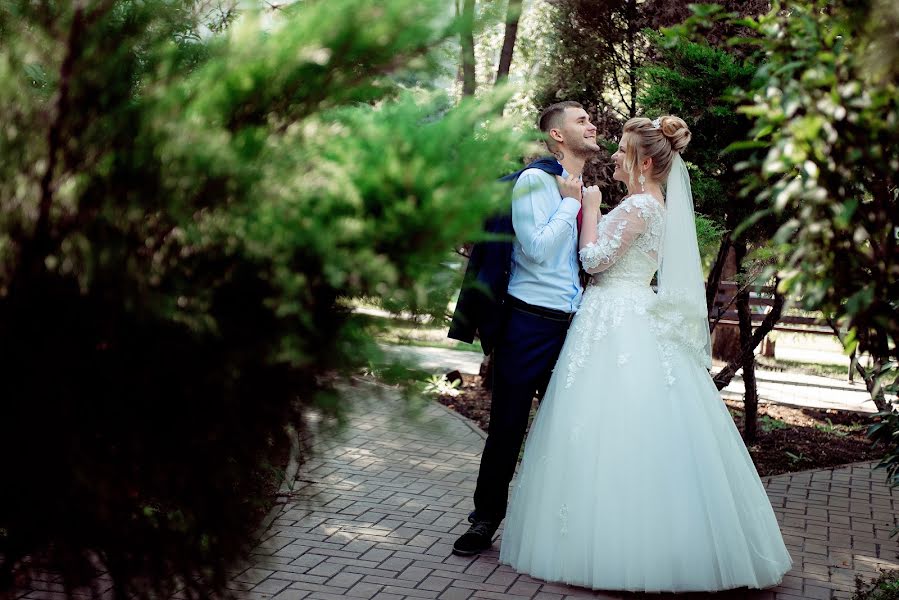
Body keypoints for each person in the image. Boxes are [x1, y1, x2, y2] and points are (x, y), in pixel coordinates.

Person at [498, 116, 793, 592]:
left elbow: (594, 261)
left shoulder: (641, 206)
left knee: (614, 423)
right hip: (618, 313)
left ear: (645, 161)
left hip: (618, 313)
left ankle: (627, 549)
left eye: (622, 149)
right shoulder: (648, 204)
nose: (614, 155)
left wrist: (587, 208)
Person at [449, 101, 600, 557]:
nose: (592, 125)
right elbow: (534, 250)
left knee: (568, 428)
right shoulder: (536, 180)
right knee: (508, 428)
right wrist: (569, 205)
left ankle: (560, 523)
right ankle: (485, 519)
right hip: (528, 323)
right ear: (557, 136)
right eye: (582, 121)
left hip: (571, 325)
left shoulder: (578, 186)